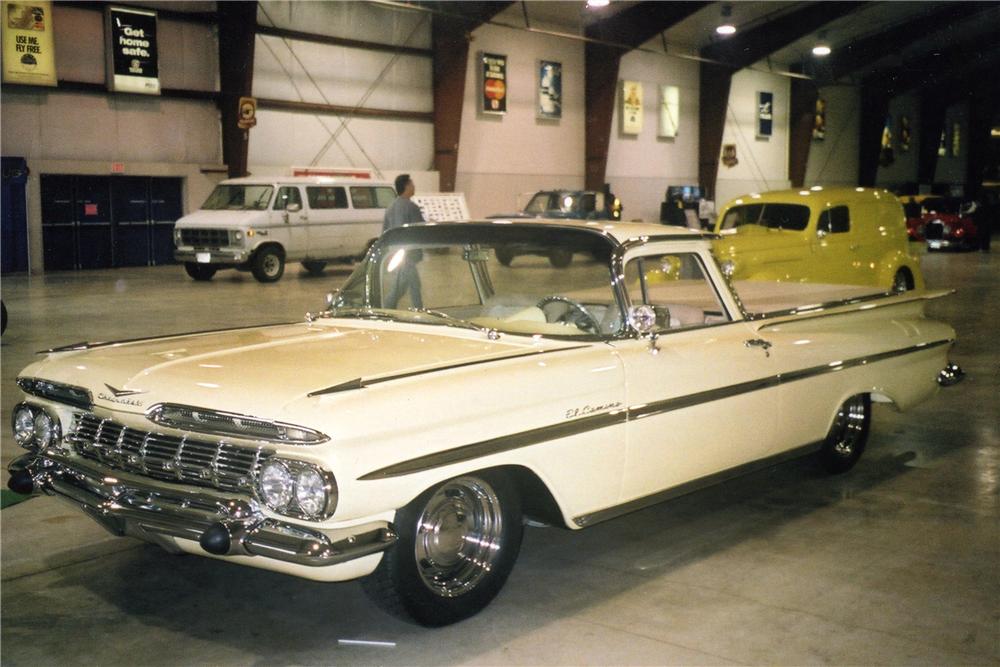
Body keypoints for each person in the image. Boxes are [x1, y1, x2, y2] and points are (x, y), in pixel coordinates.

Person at [382, 174, 425, 308]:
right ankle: (419, 314)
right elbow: (421, 229)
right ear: (406, 186)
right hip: (409, 256)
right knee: (414, 287)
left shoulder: (390, 208)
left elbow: (385, 232)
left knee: (400, 287)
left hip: (396, 255)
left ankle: (387, 309)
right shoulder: (411, 207)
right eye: (412, 184)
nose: (414, 187)